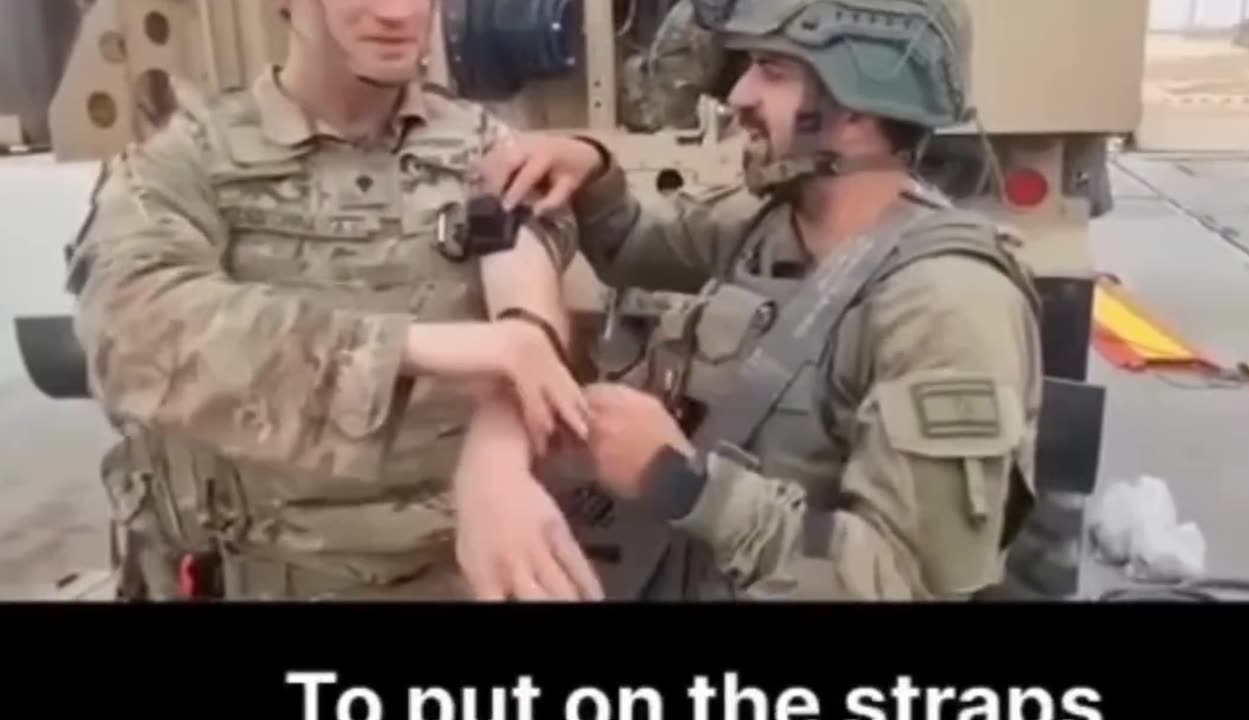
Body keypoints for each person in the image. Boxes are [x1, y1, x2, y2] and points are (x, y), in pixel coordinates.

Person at [464, 0, 1046, 601]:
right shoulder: (772, 223)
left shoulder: (946, 304)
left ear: (858, 110)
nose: (738, 94)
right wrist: (593, 167)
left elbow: (904, 578)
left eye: (771, 70)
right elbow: (634, 243)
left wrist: (678, 481)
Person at [67, 0, 604, 601]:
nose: (397, 13)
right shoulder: (190, 161)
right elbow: (135, 330)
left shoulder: (478, 143)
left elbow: (523, 254)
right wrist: (416, 346)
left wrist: (502, 437)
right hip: (254, 578)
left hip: (459, 573)